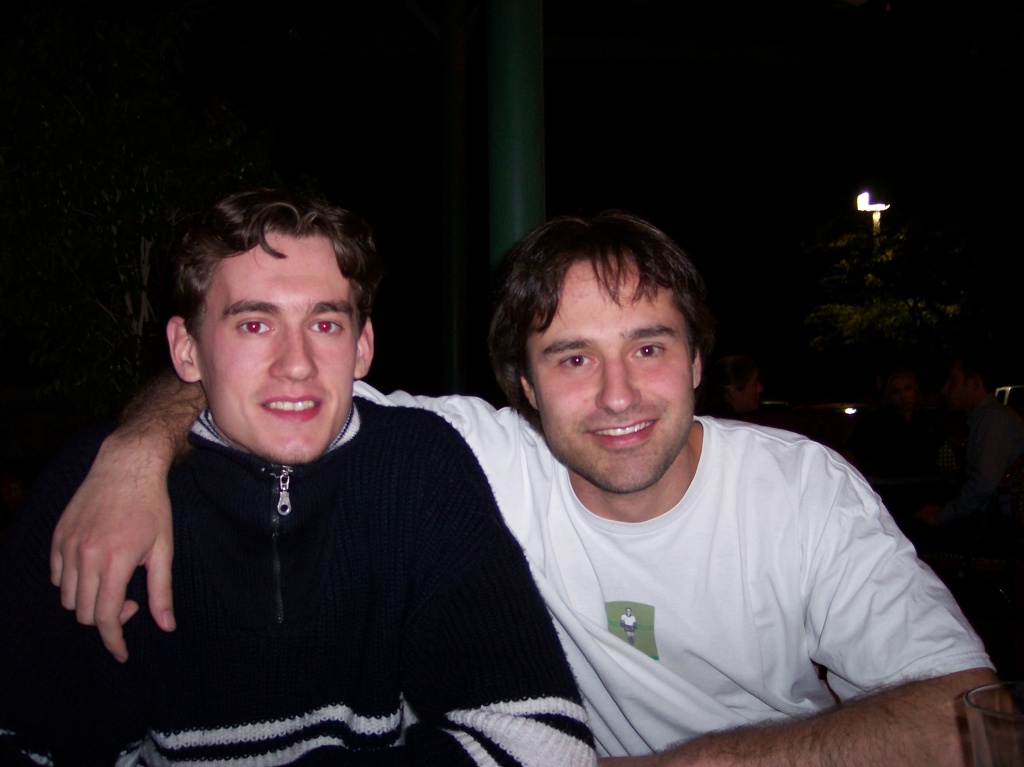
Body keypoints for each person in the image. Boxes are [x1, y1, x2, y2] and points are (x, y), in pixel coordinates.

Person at [50, 210, 996, 765]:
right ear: (526, 387)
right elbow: (278, 386)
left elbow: (970, 715)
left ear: (698, 361)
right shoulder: (483, 456)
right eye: (573, 357)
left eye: (649, 348)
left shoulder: (798, 488)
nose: (618, 394)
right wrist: (135, 449)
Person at [0, 190, 595, 765]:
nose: (297, 364)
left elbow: (545, 745)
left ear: (362, 347)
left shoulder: (418, 468)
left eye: (325, 324)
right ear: (186, 350)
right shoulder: (92, 489)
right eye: (254, 325)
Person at [916, 355, 1024, 530]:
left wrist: (942, 515)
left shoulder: (993, 419)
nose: (944, 390)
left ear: (974, 383)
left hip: (1000, 523)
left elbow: (984, 485)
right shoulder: (989, 418)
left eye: (952, 381)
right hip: (995, 517)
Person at [845, 366, 948, 516]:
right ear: (890, 395)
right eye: (896, 391)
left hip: (925, 494)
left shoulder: (929, 422)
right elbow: (852, 451)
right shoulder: (876, 422)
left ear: (916, 390)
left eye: (907, 389)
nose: (903, 396)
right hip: (888, 495)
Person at [697, 354, 762, 418]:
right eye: (755, 384)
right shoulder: (731, 422)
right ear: (733, 392)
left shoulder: (704, 417)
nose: (760, 388)